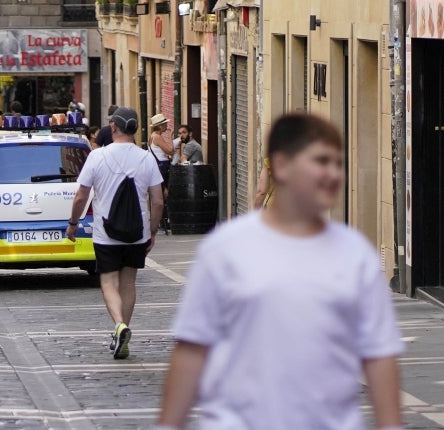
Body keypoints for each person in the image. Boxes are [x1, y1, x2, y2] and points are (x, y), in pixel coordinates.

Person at [156, 113, 404, 430]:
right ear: (282, 165)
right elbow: (192, 348)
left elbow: (379, 355)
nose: (333, 174)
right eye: (320, 161)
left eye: (337, 163)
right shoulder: (226, 250)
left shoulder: (355, 256)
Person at [66, 107, 164, 360]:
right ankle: (123, 330)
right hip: (137, 232)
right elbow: (158, 201)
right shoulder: (146, 158)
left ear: (113, 127)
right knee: (129, 282)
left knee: (108, 281)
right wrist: (152, 231)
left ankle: (119, 325)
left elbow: (81, 195)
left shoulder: (97, 157)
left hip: (105, 233)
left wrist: (73, 223)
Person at [148, 113, 173, 232]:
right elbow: (170, 150)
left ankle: (161, 220)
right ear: (160, 126)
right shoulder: (157, 137)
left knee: (161, 193)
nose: (167, 125)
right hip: (162, 168)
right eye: (165, 123)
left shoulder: (152, 136)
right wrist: (172, 139)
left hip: (158, 167)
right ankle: (163, 220)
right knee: (164, 193)